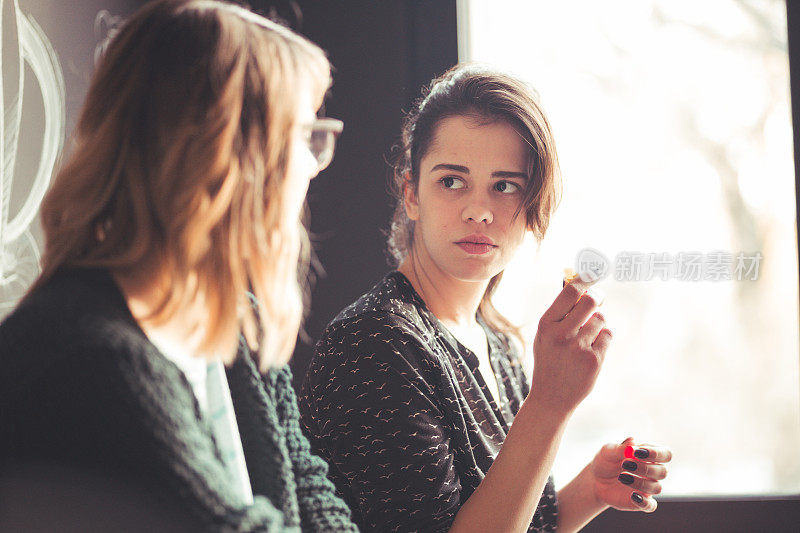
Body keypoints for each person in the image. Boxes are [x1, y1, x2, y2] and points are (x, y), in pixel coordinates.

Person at [0, 1, 356, 531]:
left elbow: (309, 485)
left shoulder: (236, 316)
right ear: (224, 159)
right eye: (304, 135)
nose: (313, 164)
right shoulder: (90, 357)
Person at [299, 64, 672, 532]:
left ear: (533, 205)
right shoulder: (375, 343)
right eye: (452, 181)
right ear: (412, 193)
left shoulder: (495, 341)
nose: (479, 210)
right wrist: (550, 404)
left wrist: (590, 492)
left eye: (505, 185)